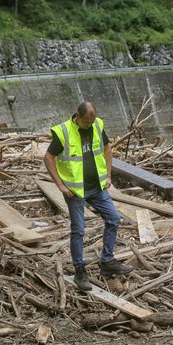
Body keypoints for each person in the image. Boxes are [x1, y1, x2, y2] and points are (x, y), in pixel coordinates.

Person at [44, 102, 133, 291]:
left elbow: (107, 148)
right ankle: (79, 271)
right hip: (75, 190)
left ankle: (107, 262)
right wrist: (60, 185)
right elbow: (48, 158)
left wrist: (108, 175)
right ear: (78, 116)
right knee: (79, 230)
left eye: (91, 122)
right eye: (86, 122)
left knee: (114, 219)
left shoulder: (97, 125)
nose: (89, 125)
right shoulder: (64, 132)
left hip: (97, 187)